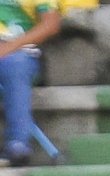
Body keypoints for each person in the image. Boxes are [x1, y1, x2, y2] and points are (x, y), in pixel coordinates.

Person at [0, 0, 60, 166]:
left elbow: (51, 24)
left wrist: (9, 47)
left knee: (15, 64)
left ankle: (17, 144)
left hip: (19, 54)